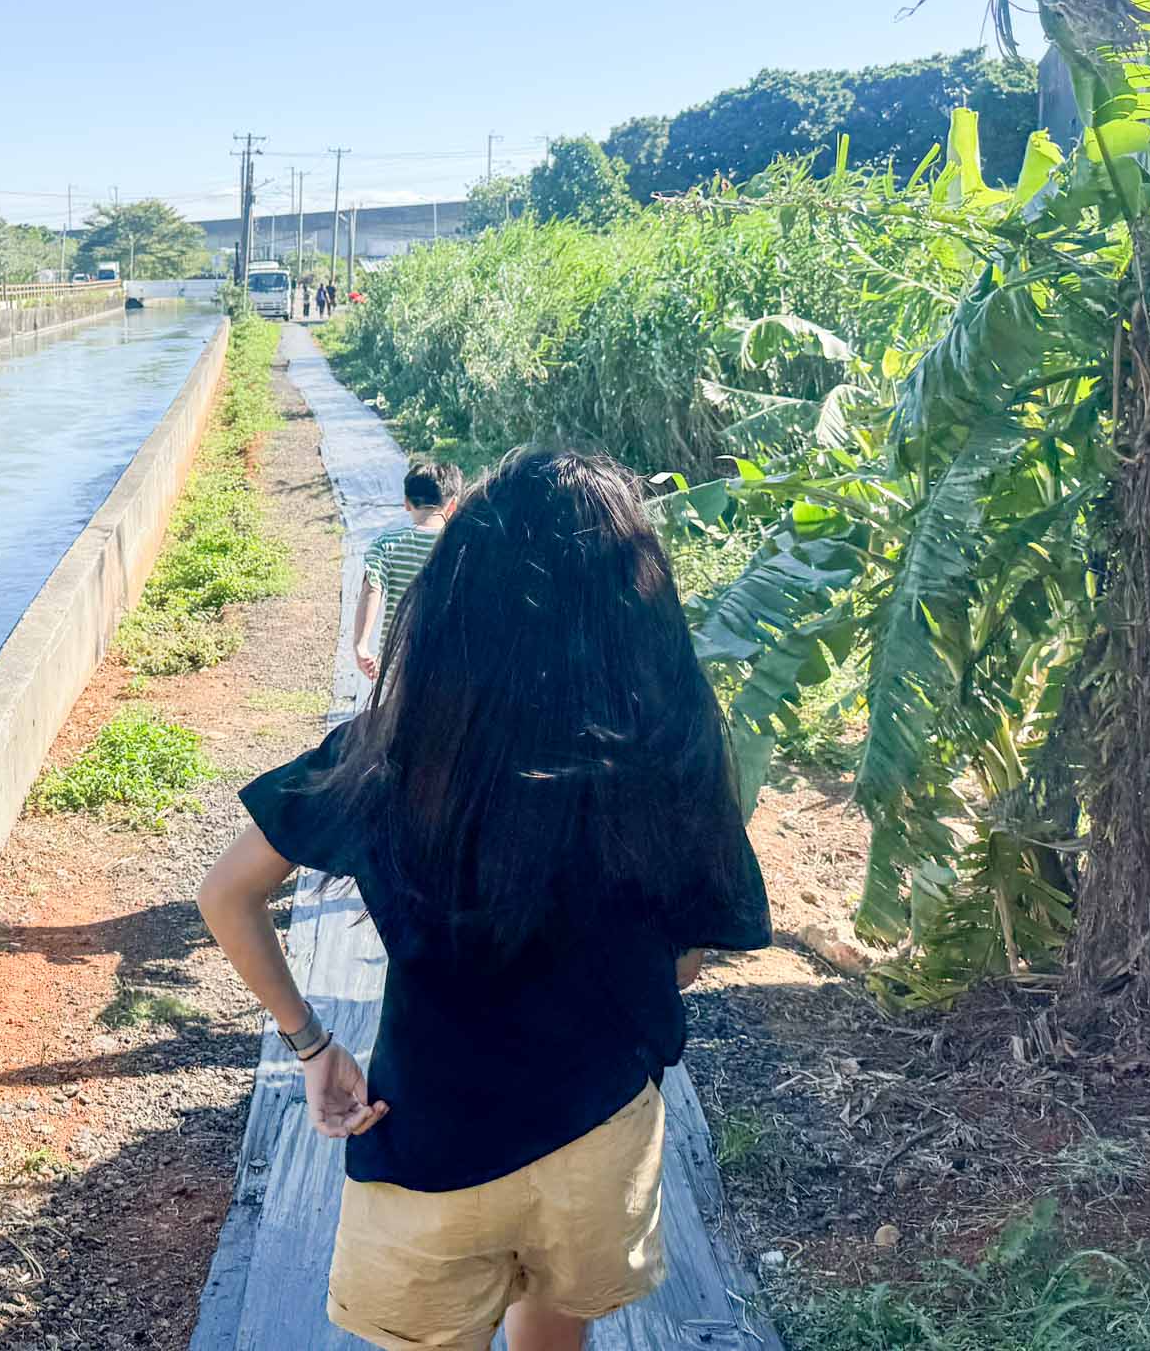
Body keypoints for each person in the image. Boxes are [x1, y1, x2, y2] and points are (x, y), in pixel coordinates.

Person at [198, 449, 771, 1351]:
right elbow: (691, 957)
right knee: (555, 1316)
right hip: (600, 1133)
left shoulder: (391, 751)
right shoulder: (675, 755)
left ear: (456, 599)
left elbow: (228, 895)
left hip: (428, 1140)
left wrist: (312, 1045)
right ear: (640, 610)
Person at [350, 460, 456, 681]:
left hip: (397, 664)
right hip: (448, 665)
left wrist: (361, 644)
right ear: (453, 505)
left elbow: (372, 589)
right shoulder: (461, 547)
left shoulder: (386, 545)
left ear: (407, 503)